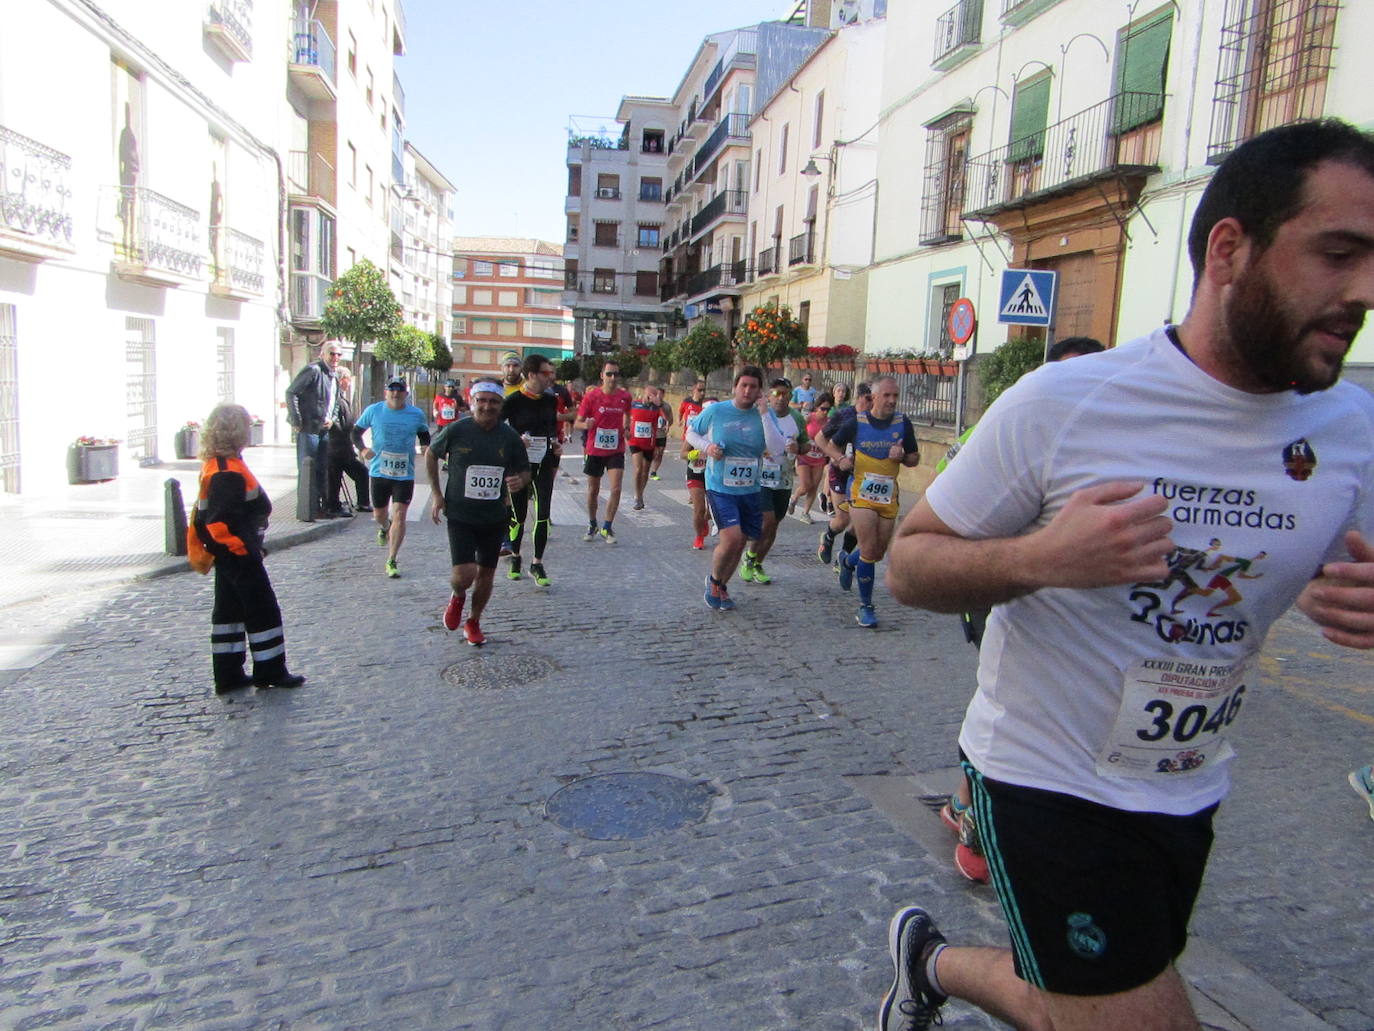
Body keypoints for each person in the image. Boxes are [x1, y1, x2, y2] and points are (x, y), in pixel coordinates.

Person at [878, 119, 1374, 1031]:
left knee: (1077, 1002)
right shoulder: (1065, 403)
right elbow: (909, 564)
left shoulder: (1352, 427)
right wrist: (1042, 558)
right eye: (1337, 254)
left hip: (1190, 782)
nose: (1365, 291)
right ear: (1229, 249)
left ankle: (930, 963)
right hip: (1046, 781)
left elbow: (1347, 561)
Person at [939, 336, 1104, 884]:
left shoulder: (1120, 447)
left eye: (1092, 375)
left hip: (1080, 616)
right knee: (1009, 699)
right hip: (1000, 591)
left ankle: (963, 800)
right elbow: (943, 512)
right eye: (1068, 375)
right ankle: (976, 820)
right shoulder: (1004, 429)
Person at [193, 403, 304, 692]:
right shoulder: (226, 472)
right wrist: (247, 552)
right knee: (262, 610)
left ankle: (228, 674)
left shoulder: (220, 464)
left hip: (228, 555)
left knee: (228, 614)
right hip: (237, 556)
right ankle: (271, 671)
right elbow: (220, 523)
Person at [426, 381, 530, 646]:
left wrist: (520, 481)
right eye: (481, 400)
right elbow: (430, 454)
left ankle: (473, 622)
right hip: (460, 513)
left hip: (494, 516)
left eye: (493, 401)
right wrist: (437, 494)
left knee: (486, 574)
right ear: (471, 402)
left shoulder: (509, 437)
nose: (486, 406)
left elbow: (524, 471)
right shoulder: (457, 430)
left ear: (500, 405)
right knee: (464, 574)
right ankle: (458, 595)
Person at [816, 377, 918, 627]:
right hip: (861, 494)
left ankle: (847, 561)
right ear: (874, 397)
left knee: (877, 552)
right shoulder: (857, 423)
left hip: (888, 496)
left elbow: (914, 458)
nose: (892, 400)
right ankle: (866, 606)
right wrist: (840, 459)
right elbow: (827, 443)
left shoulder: (902, 422)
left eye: (895, 396)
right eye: (887, 395)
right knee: (869, 549)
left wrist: (902, 456)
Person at [687, 366, 766, 611]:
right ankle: (713, 581)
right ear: (734, 387)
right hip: (720, 486)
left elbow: (775, 446)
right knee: (731, 538)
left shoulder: (762, 415)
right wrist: (708, 447)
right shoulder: (717, 411)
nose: (747, 390)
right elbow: (691, 433)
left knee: (741, 541)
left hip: (750, 488)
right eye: (743, 385)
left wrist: (766, 414)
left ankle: (722, 585)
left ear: (759, 391)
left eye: (753, 386)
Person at [353, 378, 430, 579]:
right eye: (392, 390)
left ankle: (392, 559)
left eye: (400, 390)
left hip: (404, 474)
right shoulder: (374, 411)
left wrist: (425, 447)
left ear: (406, 394)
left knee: (400, 515)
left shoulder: (416, 414)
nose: (396, 394)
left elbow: (424, 434)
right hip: (379, 472)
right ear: (386, 392)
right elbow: (355, 433)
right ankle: (384, 527)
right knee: (379, 514)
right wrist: (363, 449)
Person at [740, 379, 808, 586]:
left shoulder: (797, 418)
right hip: (760, 477)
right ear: (769, 396)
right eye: (777, 393)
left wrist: (798, 448)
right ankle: (749, 557)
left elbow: (806, 444)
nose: (781, 398)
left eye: (785, 394)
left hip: (783, 479)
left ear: (790, 396)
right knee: (767, 521)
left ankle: (757, 564)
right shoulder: (759, 414)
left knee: (774, 525)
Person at [501, 355, 562, 585]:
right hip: (520, 464)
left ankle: (537, 564)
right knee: (519, 515)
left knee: (543, 514)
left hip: (544, 461)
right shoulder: (513, 400)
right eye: (546, 373)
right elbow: (498, 429)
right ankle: (516, 557)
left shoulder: (550, 400)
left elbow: (551, 428)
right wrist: (516, 440)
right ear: (532, 375)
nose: (550, 377)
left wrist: (555, 444)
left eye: (551, 373)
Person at [574, 360, 632, 543]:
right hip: (595, 449)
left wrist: (627, 427)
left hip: (616, 449)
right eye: (609, 374)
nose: (613, 378)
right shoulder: (592, 397)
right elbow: (577, 423)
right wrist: (586, 425)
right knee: (593, 490)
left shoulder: (625, 397)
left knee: (616, 488)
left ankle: (607, 526)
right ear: (602, 376)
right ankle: (592, 524)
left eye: (616, 374)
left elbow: (628, 413)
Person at [816, 381, 871, 569]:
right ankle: (829, 536)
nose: (872, 404)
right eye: (868, 399)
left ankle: (843, 558)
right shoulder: (845, 415)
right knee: (843, 519)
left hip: (863, 475)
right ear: (859, 398)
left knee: (861, 520)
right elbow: (819, 439)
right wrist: (838, 458)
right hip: (840, 472)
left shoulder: (878, 420)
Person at [284, 340, 342, 518]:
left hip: (324, 430)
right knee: (308, 468)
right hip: (309, 428)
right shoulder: (313, 370)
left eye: (338, 354)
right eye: (332, 353)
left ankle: (320, 507)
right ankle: (308, 508)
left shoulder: (334, 376)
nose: (335, 357)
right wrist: (297, 420)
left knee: (322, 469)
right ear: (322, 354)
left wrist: (332, 419)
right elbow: (291, 392)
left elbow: (336, 402)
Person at [324, 365, 370, 517]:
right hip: (336, 448)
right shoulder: (335, 399)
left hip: (343, 448)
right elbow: (334, 421)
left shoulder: (340, 397)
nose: (349, 383)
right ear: (341, 380)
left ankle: (362, 503)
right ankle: (333, 506)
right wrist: (346, 429)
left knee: (361, 473)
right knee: (334, 479)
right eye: (348, 379)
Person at [790, 393, 831, 524]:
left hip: (819, 459)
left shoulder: (830, 423)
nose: (825, 412)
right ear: (817, 407)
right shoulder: (808, 418)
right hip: (804, 456)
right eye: (823, 409)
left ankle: (806, 513)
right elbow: (797, 433)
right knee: (806, 485)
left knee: (814, 487)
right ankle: (794, 498)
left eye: (828, 409)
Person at [628, 385, 661, 510]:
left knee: (645, 471)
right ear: (644, 393)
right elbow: (625, 415)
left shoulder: (656, 408)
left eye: (654, 395)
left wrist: (660, 404)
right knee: (638, 468)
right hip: (635, 441)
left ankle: (640, 494)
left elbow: (668, 418)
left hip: (649, 443)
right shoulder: (634, 404)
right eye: (649, 395)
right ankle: (637, 496)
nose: (650, 398)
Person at [648, 385, 674, 481]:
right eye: (657, 394)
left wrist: (668, 425)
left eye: (660, 394)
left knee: (660, 453)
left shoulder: (667, 406)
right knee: (654, 452)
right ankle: (646, 467)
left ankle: (654, 472)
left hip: (662, 433)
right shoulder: (650, 405)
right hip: (652, 433)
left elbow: (670, 419)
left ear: (663, 395)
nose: (658, 396)